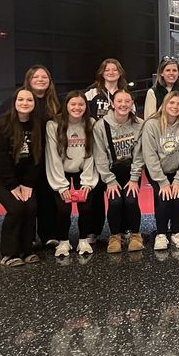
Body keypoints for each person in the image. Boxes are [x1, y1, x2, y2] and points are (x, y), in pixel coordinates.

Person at [0, 88, 44, 266]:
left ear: (34, 103)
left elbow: (38, 156)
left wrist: (28, 183)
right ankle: (9, 254)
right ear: (14, 102)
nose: (25, 103)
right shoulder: (2, 124)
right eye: (20, 99)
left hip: (21, 176)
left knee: (30, 206)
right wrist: (12, 185)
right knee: (16, 208)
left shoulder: (37, 124)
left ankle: (27, 250)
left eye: (29, 100)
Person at [141, 90, 179, 250]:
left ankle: (176, 232)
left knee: (178, 198)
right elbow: (150, 156)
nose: (175, 106)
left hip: (178, 171)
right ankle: (161, 234)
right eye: (171, 103)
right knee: (164, 199)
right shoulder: (151, 124)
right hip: (158, 172)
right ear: (164, 104)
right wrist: (163, 182)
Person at [46, 91, 98, 257]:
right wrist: (61, 186)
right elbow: (53, 157)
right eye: (73, 104)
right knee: (63, 209)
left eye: (81, 104)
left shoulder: (91, 123)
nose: (77, 108)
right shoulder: (53, 125)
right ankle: (63, 241)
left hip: (82, 171)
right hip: (61, 172)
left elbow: (91, 155)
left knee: (86, 207)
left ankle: (83, 239)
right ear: (66, 106)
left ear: (86, 106)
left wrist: (87, 183)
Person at [83, 58, 131, 243]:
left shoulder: (125, 94)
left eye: (114, 69)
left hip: (119, 152)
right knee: (96, 194)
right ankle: (93, 231)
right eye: (107, 69)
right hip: (97, 148)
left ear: (120, 72)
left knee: (120, 193)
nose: (111, 72)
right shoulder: (91, 93)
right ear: (102, 73)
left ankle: (123, 229)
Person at [92, 89, 145, 253]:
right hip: (111, 172)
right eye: (119, 101)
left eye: (127, 101)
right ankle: (115, 236)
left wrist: (134, 178)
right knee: (115, 202)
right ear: (112, 104)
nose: (123, 104)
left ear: (132, 104)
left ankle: (135, 235)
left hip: (131, 170)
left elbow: (140, 154)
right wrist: (109, 180)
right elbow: (100, 155)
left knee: (131, 201)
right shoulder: (100, 126)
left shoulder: (140, 124)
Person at [23, 65, 61, 248]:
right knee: (28, 199)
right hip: (27, 159)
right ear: (29, 80)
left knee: (47, 198)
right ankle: (27, 236)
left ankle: (48, 234)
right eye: (36, 77)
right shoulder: (22, 100)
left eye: (44, 77)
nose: (40, 79)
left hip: (48, 158)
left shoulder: (55, 103)